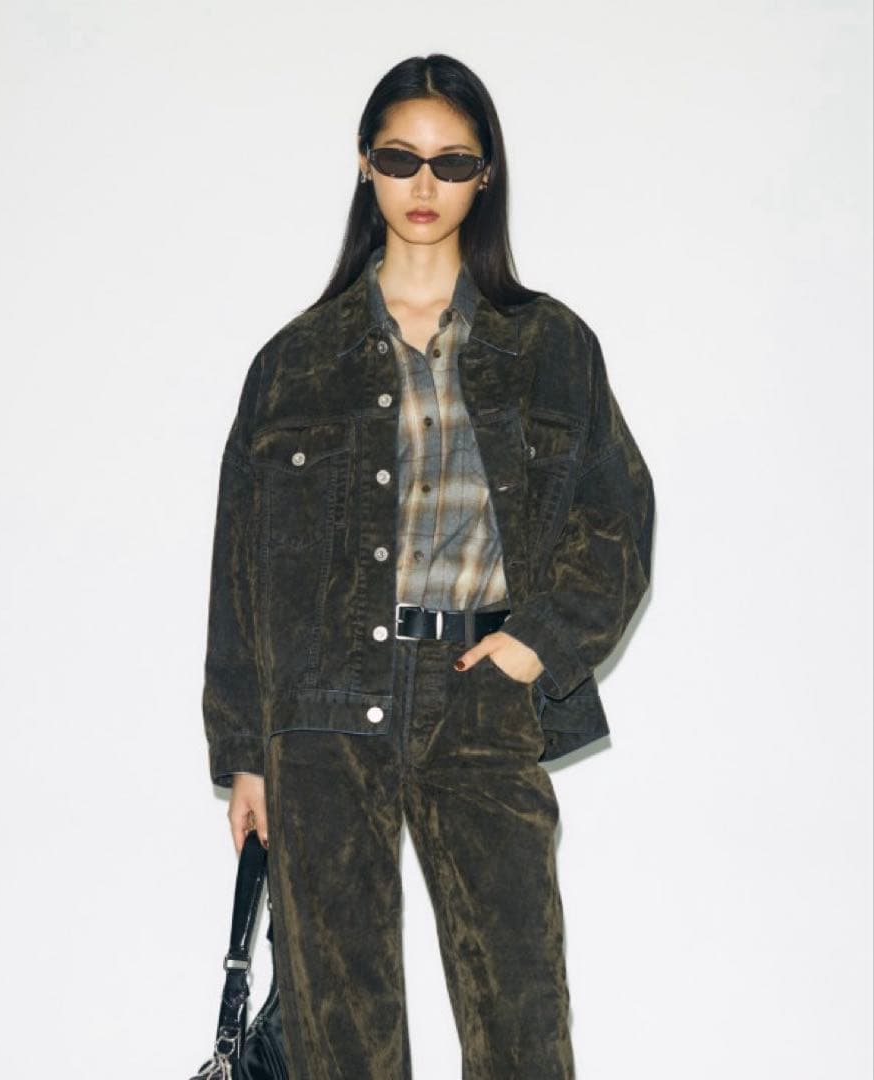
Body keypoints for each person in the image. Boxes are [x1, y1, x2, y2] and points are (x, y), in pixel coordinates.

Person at [201, 52, 654, 1080]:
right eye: (401, 157)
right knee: (341, 1023)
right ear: (365, 164)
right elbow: (239, 574)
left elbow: (617, 517)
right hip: (322, 708)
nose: (423, 184)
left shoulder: (548, 346)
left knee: (520, 1009)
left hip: (478, 693)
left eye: (451, 163)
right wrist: (245, 751)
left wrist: (535, 647)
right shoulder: (294, 361)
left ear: (484, 177)